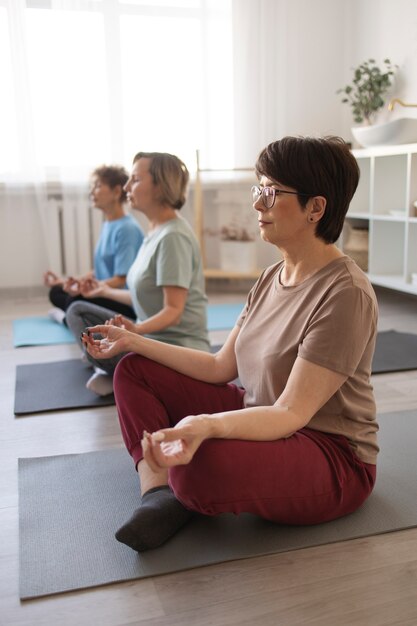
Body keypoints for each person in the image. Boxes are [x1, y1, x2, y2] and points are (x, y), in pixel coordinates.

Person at [82, 136, 379, 553]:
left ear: (316, 208)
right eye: (259, 189)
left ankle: (179, 484)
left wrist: (207, 425)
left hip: (329, 453)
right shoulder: (270, 276)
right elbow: (221, 366)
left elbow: (291, 412)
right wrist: (133, 340)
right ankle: (158, 494)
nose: (258, 204)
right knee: (133, 369)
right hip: (261, 415)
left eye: (270, 192)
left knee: (198, 465)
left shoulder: (345, 293)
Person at [67, 151, 210, 396]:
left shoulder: (173, 237)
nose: (126, 186)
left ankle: (123, 374)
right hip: (149, 341)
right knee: (79, 309)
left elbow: (173, 313)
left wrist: (134, 331)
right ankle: (121, 371)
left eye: (135, 179)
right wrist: (104, 291)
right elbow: (143, 296)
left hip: (175, 351)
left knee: (80, 315)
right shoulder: (154, 231)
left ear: (159, 186)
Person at [44, 164, 144, 323]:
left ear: (117, 191)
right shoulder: (108, 225)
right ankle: (72, 317)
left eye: (97, 186)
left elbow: (121, 280)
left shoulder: (127, 229)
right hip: (103, 290)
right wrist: (68, 282)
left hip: (123, 301)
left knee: (74, 301)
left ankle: (66, 319)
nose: (91, 192)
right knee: (56, 291)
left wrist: (87, 288)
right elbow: (100, 271)